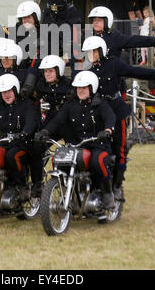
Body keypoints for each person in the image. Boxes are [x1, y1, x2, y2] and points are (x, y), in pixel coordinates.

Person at [80, 36, 155, 200]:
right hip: (98, 114)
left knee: (119, 150)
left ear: (101, 51)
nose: (90, 54)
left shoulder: (114, 63)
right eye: (88, 51)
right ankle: (96, 187)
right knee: (96, 150)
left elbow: (135, 71)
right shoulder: (86, 69)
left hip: (117, 111)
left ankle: (116, 186)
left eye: (93, 51)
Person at [36, 70, 116, 208]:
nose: (80, 90)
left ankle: (107, 193)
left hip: (97, 144)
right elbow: (58, 120)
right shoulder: (70, 104)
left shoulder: (99, 103)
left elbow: (110, 117)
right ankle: (69, 192)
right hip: (78, 145)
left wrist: (108, 130)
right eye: (79, 87)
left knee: (97, 161)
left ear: (92, 87)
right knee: (60, 160)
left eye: (84, 87)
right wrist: (45, 131)